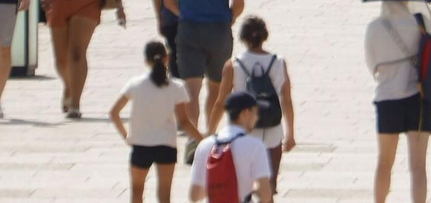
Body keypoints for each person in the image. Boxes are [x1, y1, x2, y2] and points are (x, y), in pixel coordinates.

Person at [163, 0, 245, 133]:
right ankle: (211, 131)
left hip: (189, 28)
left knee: (191, 87)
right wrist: (230, 17)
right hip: (218, 30)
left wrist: (183, 13)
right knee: (217, 87)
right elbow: (238, 2)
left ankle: (193, 137)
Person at [110, 40, 203, 203]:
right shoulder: (176, 86)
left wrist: (126, 136)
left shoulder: (135, 84)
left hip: (140, 145)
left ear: (146, 60)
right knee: (164, 194)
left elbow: (114, 112)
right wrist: (203, 140)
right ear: (167, 58)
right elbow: (184, 122)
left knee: (137, 192)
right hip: (166, 145)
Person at [365, 0, 431, 203]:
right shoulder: (420, 23)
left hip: (387, 98)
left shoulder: (374, 27)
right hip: (419, 98)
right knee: (418, 166)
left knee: (385, 162)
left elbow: (372, 65)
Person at [212, 16, 295, 195]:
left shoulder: (233, 64)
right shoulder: (278, 62)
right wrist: (291, 134)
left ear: (242, 37)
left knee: (242, 185)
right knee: (269, 186)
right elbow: (286, 99)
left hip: (243, 131)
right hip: (272, 129)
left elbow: (220, 102)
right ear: (264, 36)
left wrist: (210, 131)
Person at [189, 93, 273, 203]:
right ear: (245, 113)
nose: (257, 118)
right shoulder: (255, 146)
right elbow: (265, 194)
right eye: (255, 113)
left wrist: (218, 188)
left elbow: (194, 195)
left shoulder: (205, 145)